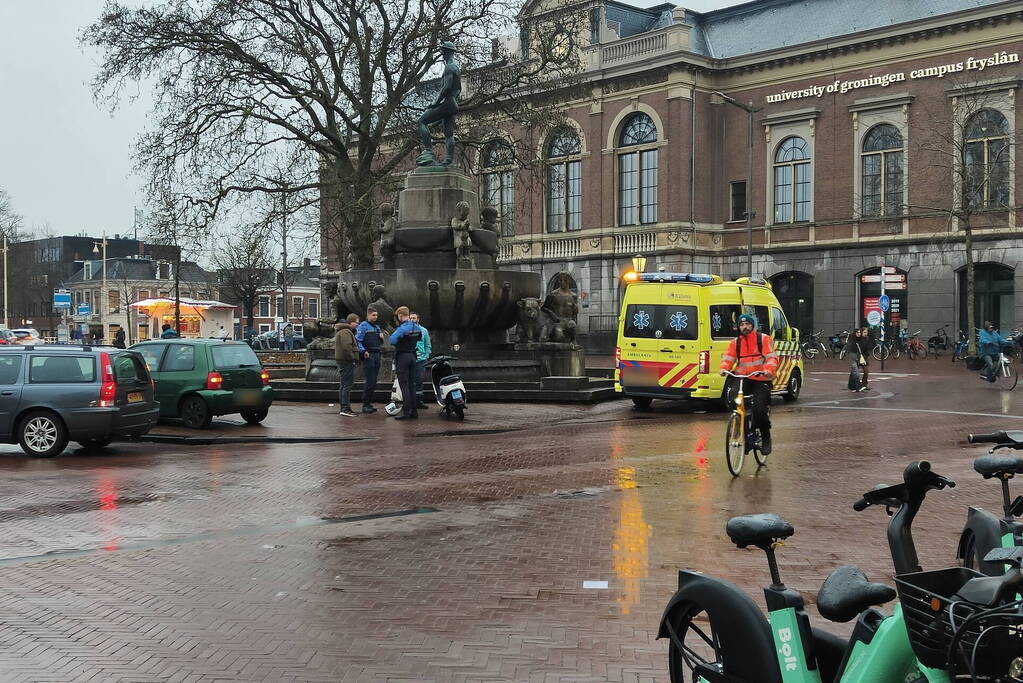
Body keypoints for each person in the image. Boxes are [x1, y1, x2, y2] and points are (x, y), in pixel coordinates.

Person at [718, 313, 779, 455]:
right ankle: (741, 428)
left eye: (747, 324)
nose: (744, 327)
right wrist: (724, 369)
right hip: (743, 378)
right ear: (738, 327)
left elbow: (771, 358)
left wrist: (768, 370)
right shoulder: (735, 343)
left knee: (759, 410)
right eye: (742, 325)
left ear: (752, 325)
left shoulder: (763, 339)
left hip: (760, 378)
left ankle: (765, 438)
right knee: (733, 398)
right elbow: (728, 358)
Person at [389, 306, 422, 420]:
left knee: (404, 386)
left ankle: (406, 412)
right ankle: (414, 412)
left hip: (403, 357)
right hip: (413, 356)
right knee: (412, 385)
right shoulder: (417, 327)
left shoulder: (402, 329)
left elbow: (392, 340)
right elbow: (419, 338)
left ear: (400, 316)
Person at [355, 307, 384, 413]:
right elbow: (358, 340)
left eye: (376, 315)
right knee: (370, 380)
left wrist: (381, 338)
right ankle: (365, 404)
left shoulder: (377, 327)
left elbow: (380, 342)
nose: (375, 317)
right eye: (373, 315)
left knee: (374, 380)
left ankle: (369, 403)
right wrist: (363, 351)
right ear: (368, 315)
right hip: (369, 354)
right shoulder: (363, 326)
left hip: (377, 354)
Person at [334, 314, 360, 417]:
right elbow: (347, 347)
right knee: (347, 385)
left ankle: (344, 407)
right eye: (356, 322)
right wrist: (353, 358)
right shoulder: (346, 332)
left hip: (342, 360)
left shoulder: (342, 331)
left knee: (343, 385)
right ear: (351, 322)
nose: (357, 324)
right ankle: (345, 408)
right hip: (346, 361)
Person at [410, 312, 432, 409]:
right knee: (410, 380)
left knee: (419, 380)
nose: (412, 320)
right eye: (410, 318)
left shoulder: (424, 331)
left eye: (414, 318)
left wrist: (426, 355)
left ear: (418, 319)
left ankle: (419, 401)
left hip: (421, 360)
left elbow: (428, 345)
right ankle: (410, 401)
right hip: (410, 359)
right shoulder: (406, 330)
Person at [846, 327, 870, 392]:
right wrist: (855, 357)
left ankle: (852, 386)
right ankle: (858, 387)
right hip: (853, 357)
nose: (859, 334)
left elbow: (864, 349)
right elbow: (850, 350)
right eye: (858, 332)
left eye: (860, 332)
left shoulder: (862, 339)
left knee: (855, 372)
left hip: (860, 357)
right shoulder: (852, 340)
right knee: (856, 372)